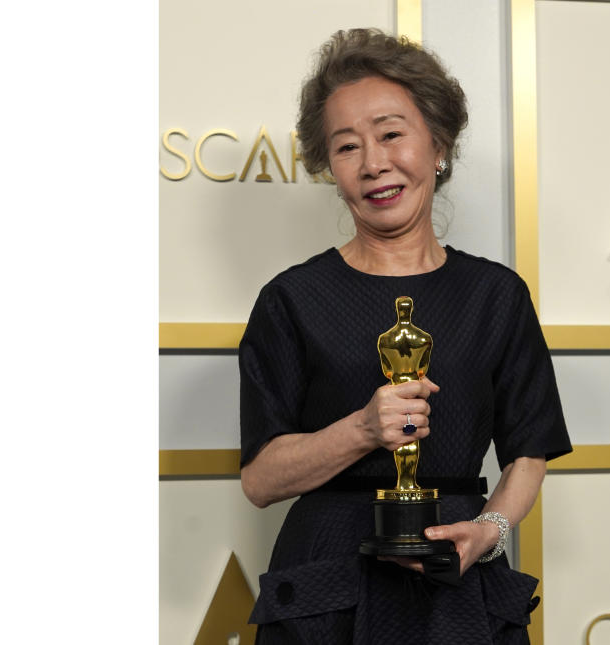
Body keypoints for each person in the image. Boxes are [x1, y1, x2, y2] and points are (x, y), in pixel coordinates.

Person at [239, 28, 572, 644]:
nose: (373, 164)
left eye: (391, 134)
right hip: (324, 587)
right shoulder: (291, 299)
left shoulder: (496, 295)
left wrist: (491, 529)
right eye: (346, 147)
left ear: (438, 144)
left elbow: (530, 450)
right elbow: (260, 481)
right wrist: (362, 429)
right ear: (330, 168)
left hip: (458, 572)